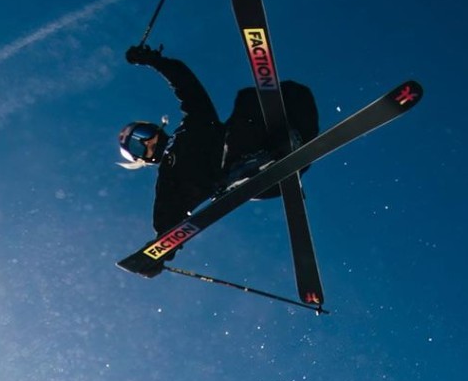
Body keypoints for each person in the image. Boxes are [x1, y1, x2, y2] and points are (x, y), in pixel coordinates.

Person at [120, 44, 319, 237]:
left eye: (142, 134)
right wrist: (159, 250)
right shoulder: (168, 177)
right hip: (242, 179)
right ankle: (251, 167)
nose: (146, 143)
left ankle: (286, 145)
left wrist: (155, 61)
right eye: (137, 147)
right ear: (142, 160)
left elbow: (186, 85)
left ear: (155, 128)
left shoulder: (193, 122)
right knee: (238, 131)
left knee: (254, 97)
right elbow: (164, 218)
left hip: (274, 143)